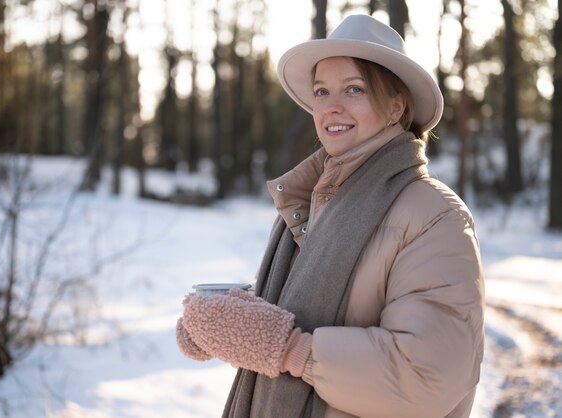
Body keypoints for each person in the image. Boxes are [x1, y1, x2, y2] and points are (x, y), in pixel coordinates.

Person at [176, 14, 485, 418]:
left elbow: (426, 377)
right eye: (321, 91)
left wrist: (289, 348)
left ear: (396, 108)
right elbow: (327, 307)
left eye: (354, 89)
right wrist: (228, 323)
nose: (331, 107)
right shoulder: (316, 199)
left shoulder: (434, 215)